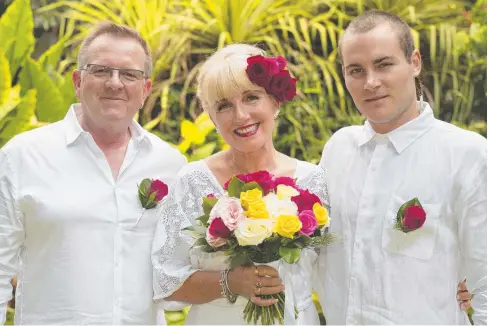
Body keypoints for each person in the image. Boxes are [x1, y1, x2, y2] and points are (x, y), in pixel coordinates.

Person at [0, 22, 187, 324]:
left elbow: (179, 273)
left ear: (145, 90)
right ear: (77, 81)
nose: (114, 83)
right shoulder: (21, 156)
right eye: (100, 70)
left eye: (129, 74)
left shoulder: (170, 164)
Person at [317, 10, 486, 324]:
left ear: (414, 62)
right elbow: (315, 251)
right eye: (356, 70)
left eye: (384, 64)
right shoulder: (338, 149)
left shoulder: (466, 154)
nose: (371, 82)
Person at [151, 44, 328, 325]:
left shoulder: (312, 179)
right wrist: (230, 282)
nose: (241, 115)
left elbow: (333, 272)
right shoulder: (194, 181)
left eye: (251, 97)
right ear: (212, 118)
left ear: (275, 102)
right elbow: (166, 279)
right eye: (224, 106)